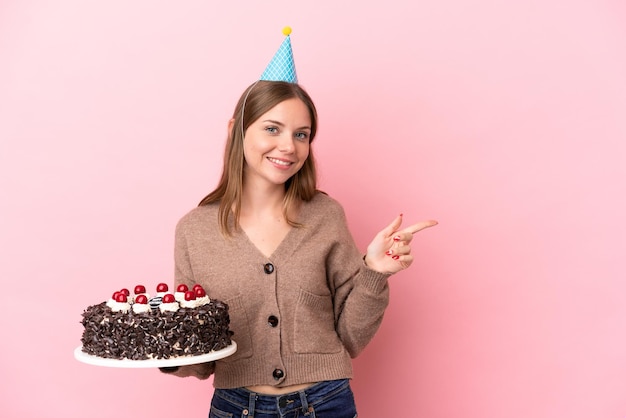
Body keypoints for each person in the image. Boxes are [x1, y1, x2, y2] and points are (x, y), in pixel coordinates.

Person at [160, 29, 437, 418]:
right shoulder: (194, 231)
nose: (289, 147)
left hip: (324, 404)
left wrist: (375, 272)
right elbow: (204, 357)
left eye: (301, 134)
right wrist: (169, 354)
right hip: (236, 408)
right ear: (236, 130)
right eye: (272, 128)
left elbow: (349, 339)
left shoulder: (325, 216)